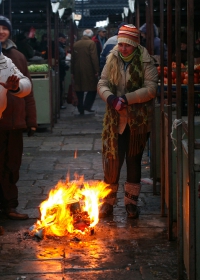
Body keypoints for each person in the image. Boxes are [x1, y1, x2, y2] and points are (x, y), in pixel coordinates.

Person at [97, 24, 158, 219]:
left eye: (128, 45)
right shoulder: (112, 57)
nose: (123, 48)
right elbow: (102, 83)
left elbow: (151, 88)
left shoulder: (145, 60)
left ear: (135, 44)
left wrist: (127, 99)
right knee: (113, 161)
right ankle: (108, 202)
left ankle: (131, 204)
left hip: (137, 121)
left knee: (133, 161)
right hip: (115, 120)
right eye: (121, 44)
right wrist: (111, 98)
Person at [0, 15, 37, 220]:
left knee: (12, 165)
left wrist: (31, 120)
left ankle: (10, 206)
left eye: (4, 28)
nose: (1, 32)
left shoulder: (17, 57)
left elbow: (27, 88)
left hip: (14, 122)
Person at [71, 29, 100, 115]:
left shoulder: (76, 44)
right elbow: (94, 57)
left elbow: (73, 59)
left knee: (79, 89)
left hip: (77, 70)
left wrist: (72, 70)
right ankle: (87, 105)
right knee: (93, 88)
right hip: (89, 70)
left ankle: (80, 108)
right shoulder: (91, 43)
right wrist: (96, 70)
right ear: (91, 36)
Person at [58, 32, 69, 109]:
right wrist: (66, 66)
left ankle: (59, 103)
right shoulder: (59, 48)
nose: (65, 40)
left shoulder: (59, 46)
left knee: (59, 87)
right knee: (59, 88)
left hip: (60, 70)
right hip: (60, 70)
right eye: (64, 38)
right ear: (60, 39)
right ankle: (60, 104)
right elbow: (61, 60)